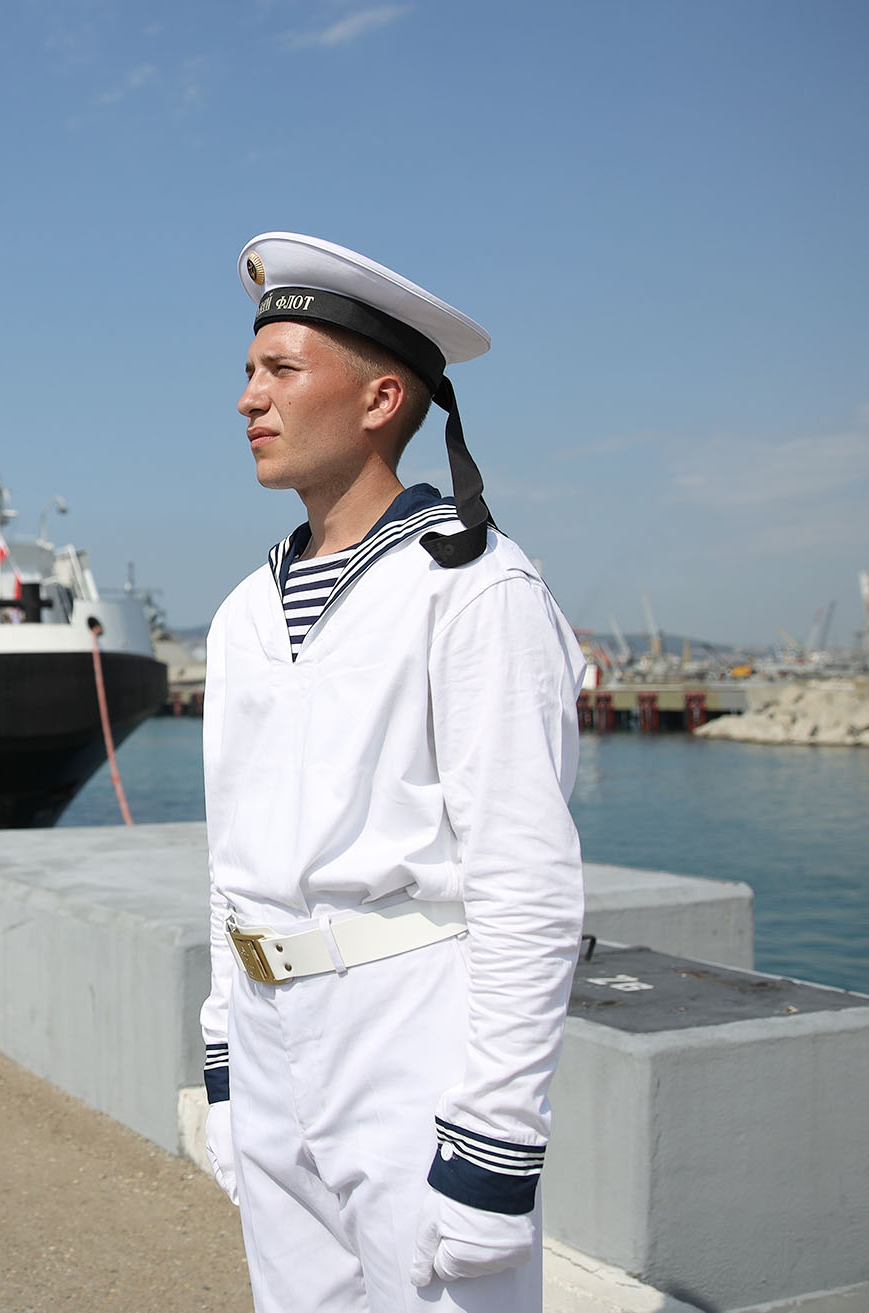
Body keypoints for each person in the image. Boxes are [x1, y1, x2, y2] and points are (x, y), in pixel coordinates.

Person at [198, 233, 584, 1313]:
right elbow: (230, 859)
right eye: (249, 370)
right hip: (267, 1027)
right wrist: (224, 1058)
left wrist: (496, 1138)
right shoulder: (241, 612)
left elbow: (524, 879)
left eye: (280, 369)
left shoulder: (473, 585)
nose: (247, 398)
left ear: (380, 399)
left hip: (408, 1028)